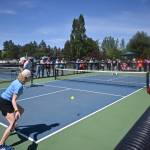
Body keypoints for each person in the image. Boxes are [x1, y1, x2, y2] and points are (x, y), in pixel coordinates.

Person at [0, 69, 31, 149]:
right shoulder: (19, 86)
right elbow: (13, 100)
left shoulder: (17, 80)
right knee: (12, 124)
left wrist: (18, 110)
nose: (30, 78)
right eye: (29, 77)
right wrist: (16, 110)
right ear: (26, 78)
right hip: (6, 102)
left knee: (22, 110)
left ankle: (13, 125)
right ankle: (1, 145)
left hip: (5, 99)